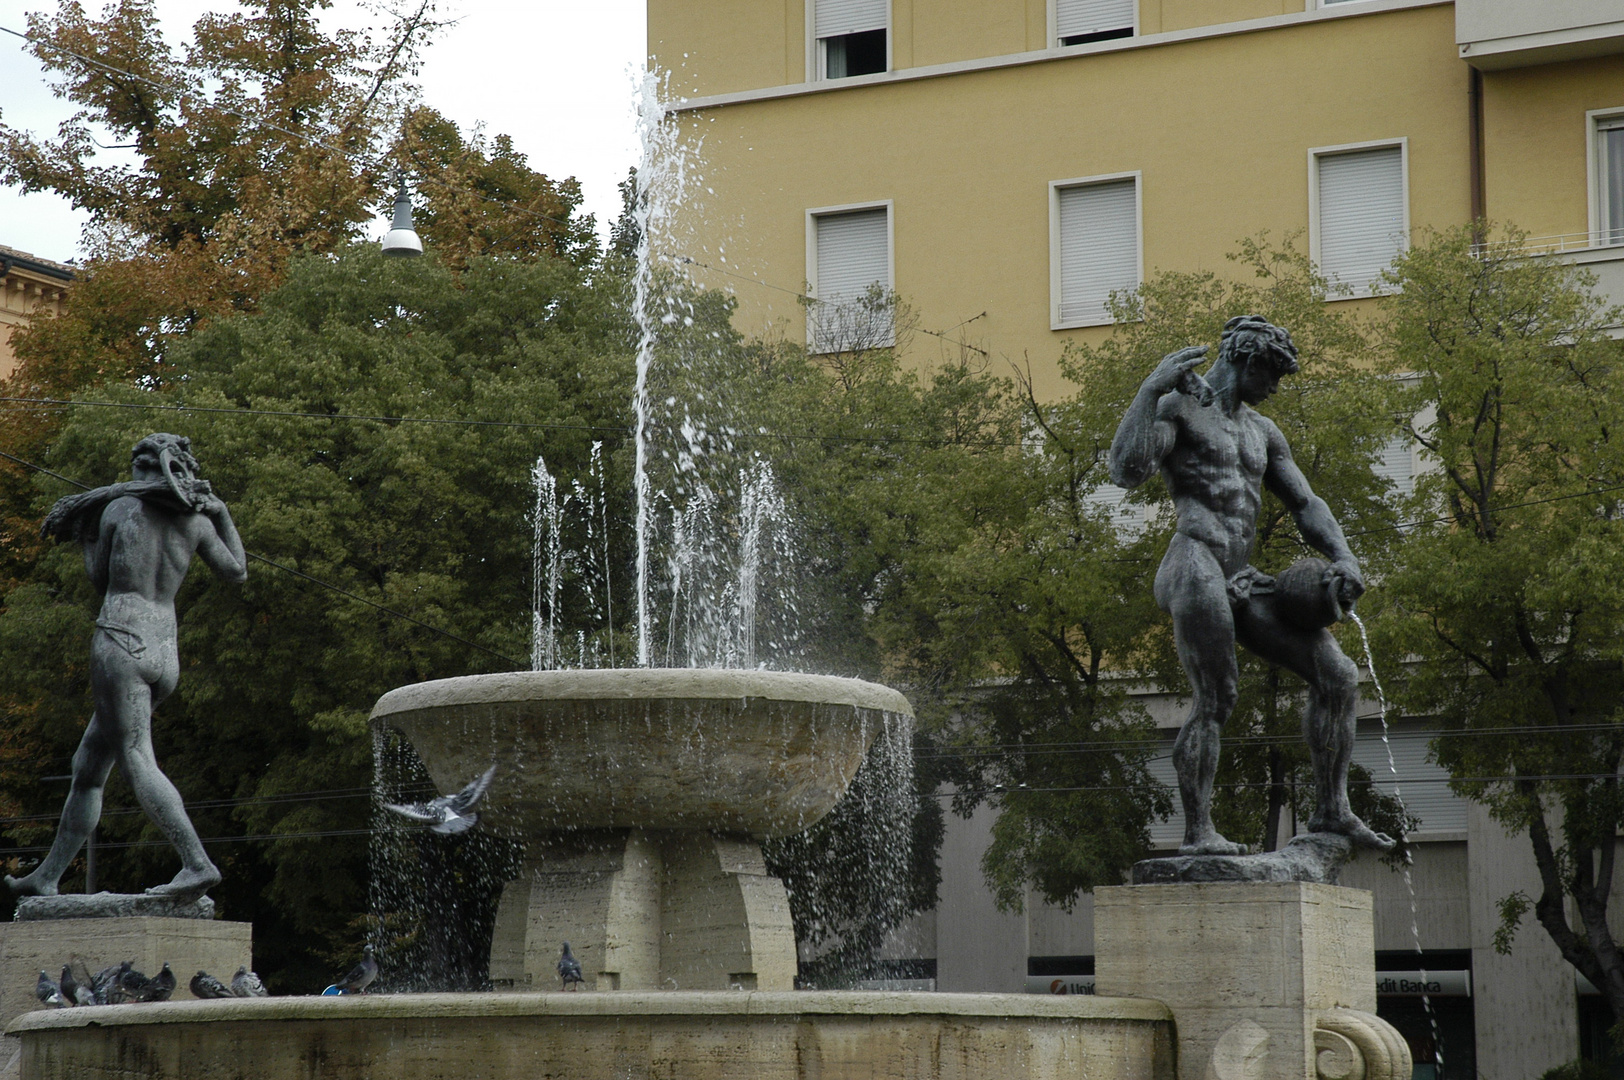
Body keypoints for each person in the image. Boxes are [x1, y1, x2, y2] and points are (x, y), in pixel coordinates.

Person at [1108, 316, 1394, 856]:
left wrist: (1344, 556)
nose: (1275, 387)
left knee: (1337, 676)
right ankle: (1198, 835)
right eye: (1273, 375)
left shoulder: (1263, 432)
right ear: (1249, 361)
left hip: (1237, 577)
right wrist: (1149, 389)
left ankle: (1332, 811)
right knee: (1218, 695)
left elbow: (1306, 503)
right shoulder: (1179, 410)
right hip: (1193, 564)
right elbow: (1127, 469)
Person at [7, 434, 246, 898]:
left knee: (137, 757)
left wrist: (85, 534)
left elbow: (100, 578)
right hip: (164, 651)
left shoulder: (119, 511)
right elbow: (236, 571)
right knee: (89, 765)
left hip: (121, 640)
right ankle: (48, 875)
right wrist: (221, 513)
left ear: (141, 468)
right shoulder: (195, 522)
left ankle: (197, 863)